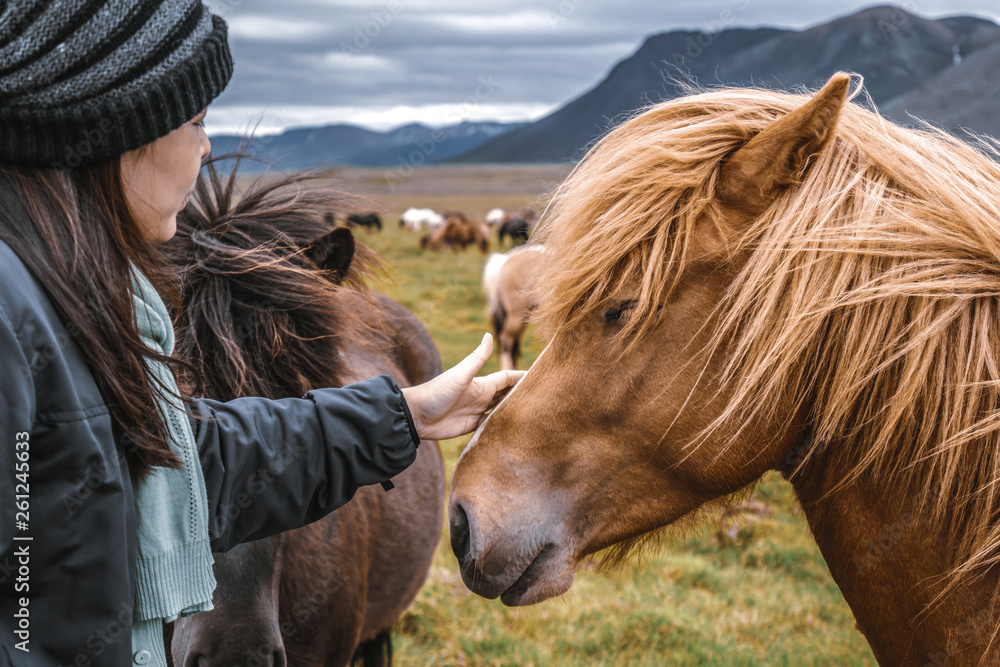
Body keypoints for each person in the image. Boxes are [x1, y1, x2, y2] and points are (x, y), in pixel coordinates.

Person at [0, 2, 524, 665]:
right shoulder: (14, 309)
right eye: (196, 121)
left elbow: (179, 460)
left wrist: (404, 412)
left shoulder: (70, 298)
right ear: (123, 129)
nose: (208, 146)